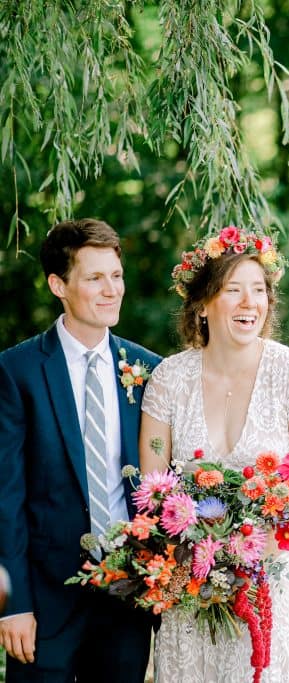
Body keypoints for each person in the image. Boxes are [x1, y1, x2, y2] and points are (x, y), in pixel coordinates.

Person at [139, 226, 289, 683]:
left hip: (268, 574)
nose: (251, 302)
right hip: (190, 576)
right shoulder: (169, 379)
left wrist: (272, 537)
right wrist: (192, 545)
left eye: (259, 290)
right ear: (204, 304)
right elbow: (153, 485)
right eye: (233, 290)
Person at [0, 219, 160, 681]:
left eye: (116, 275)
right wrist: (13, 606)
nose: (111, 290)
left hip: (129, 594)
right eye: (94, 278)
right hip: (44, 602)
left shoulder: (148, 370)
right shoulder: (17, 372)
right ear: (58, 285)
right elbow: (4, 498)